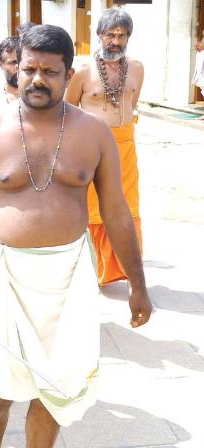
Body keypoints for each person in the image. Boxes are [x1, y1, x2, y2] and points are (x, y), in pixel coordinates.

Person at [0, 25, 152, 447]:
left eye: (50, 71)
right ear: (15, 69)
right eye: (29, 69)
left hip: (69, 274)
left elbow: (117, 213)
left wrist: (138, 286)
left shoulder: (93, 134)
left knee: (56, 387)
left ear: (68, 74)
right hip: (0, 271)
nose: (37, 79)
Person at [65, 8, 145, 286]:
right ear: (99, 35)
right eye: (110, 34)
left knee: (127, 203)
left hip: (125, 145)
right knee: (92, 206)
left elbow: (131, 103)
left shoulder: (136, 67)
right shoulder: (83, 69)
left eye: (122, 35)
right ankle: (89, 268)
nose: (116, 40)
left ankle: (123, 267)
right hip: (91, 149)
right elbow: (68, 109)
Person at [0, 37, 20, 112]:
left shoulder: (38, 99)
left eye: (22, 61)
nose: (18, 67)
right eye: (13, 62)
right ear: (1, 64)